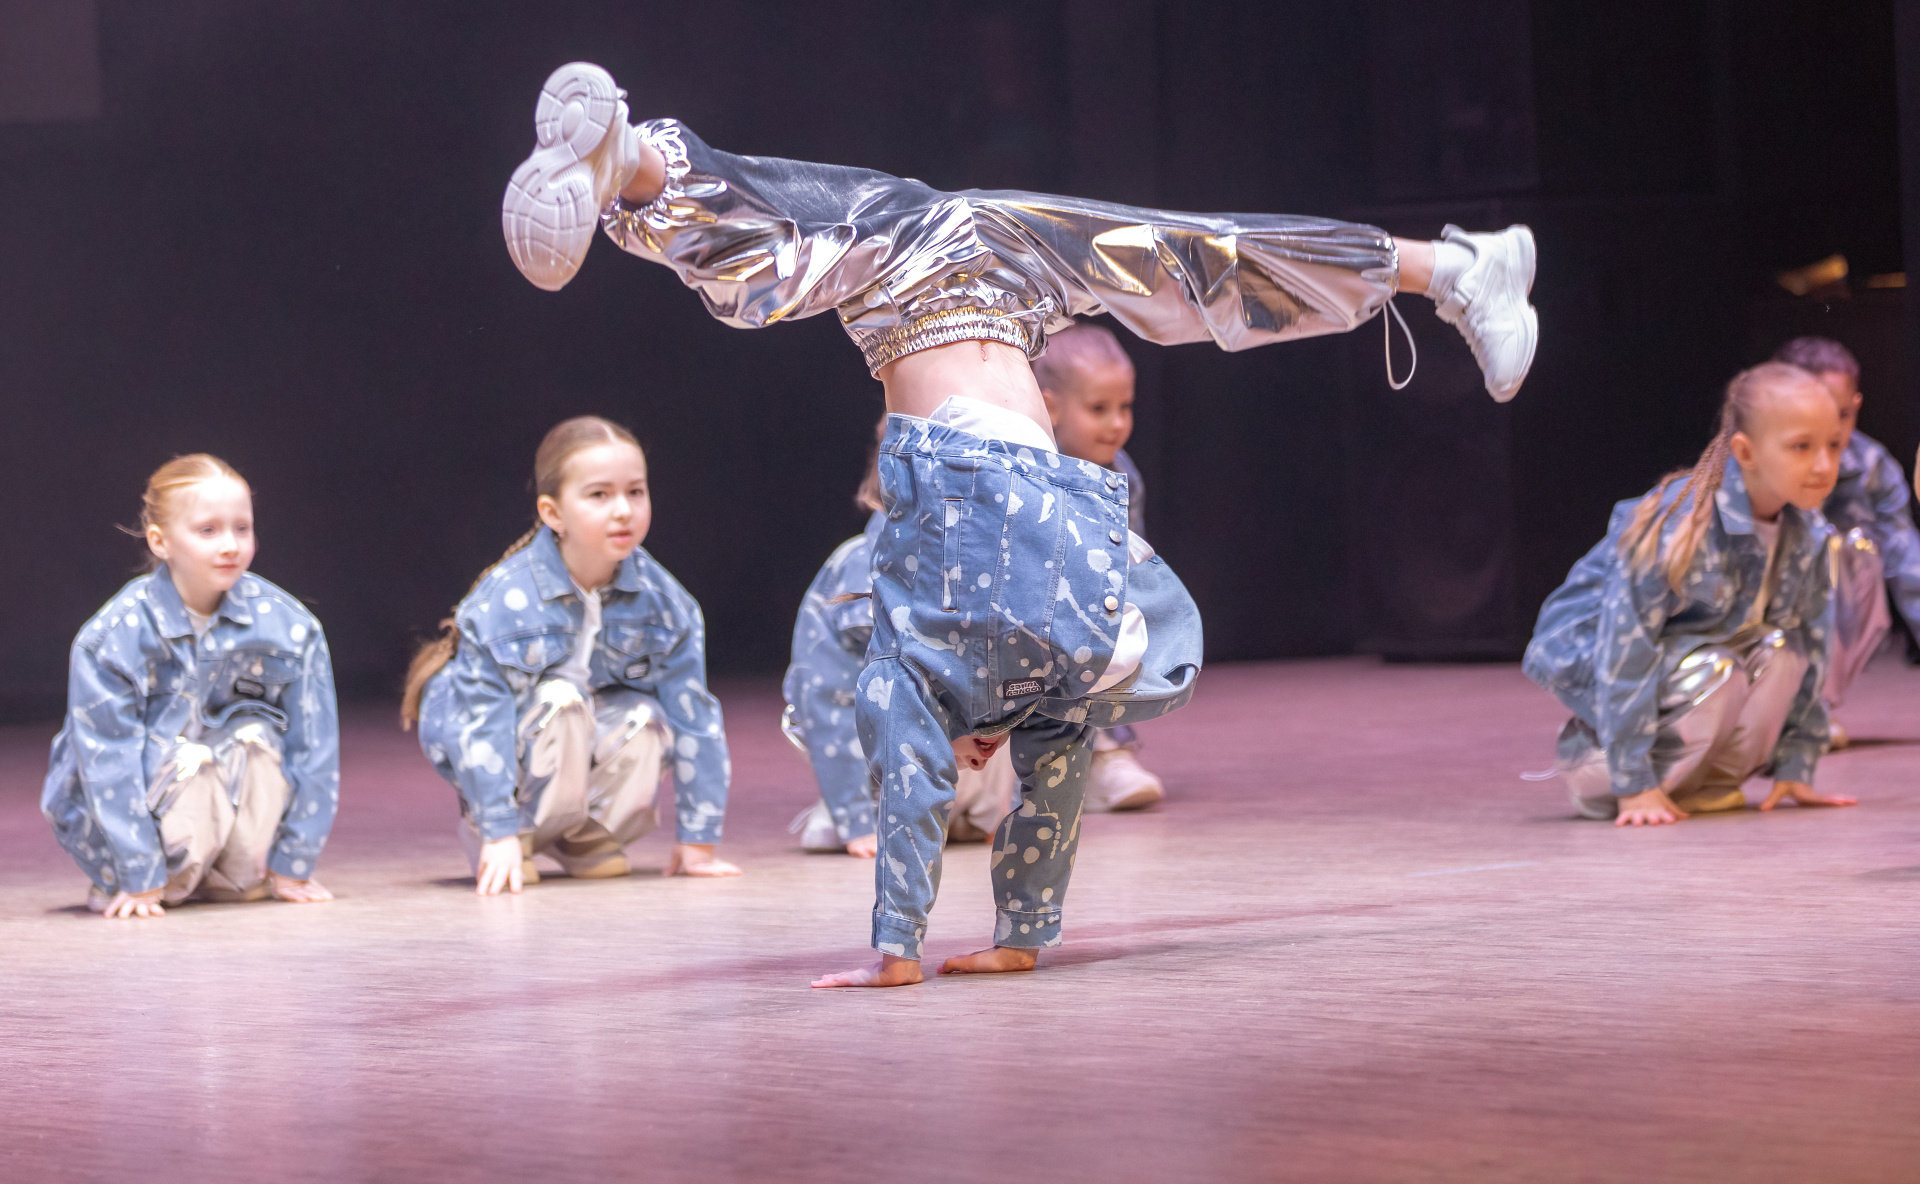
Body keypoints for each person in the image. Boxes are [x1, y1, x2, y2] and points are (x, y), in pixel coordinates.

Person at [502, 61, 1540, 986]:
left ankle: (1451, 269)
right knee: (1159, 258)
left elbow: (1029, 808)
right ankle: (636, 167)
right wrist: (899, 949)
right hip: (950, 316)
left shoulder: (1048, 670)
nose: (969, 762)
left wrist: (997, 941)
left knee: (1186, 258)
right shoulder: (952, 667)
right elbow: (927, 791)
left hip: (980, 308)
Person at [403, 416, 738, 893]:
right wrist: (496, 830)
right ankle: (513, 836)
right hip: (512, 758)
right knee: (562, 700)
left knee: (647, 719)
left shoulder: (667, 604)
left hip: (586, 737)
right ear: (553, 513)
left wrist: (698, 839)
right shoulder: (504, 602)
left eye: (635, 492)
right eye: (599, 495)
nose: (622, 510)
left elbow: (694, 717)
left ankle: (584, 836)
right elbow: (480, 721)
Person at [1523, 364, 1858, 826]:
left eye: (1834, 445)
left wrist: (1797, 765)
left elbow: (1813, 650)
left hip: (1685, 686)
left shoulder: (1809, 536)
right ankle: (1631, 784)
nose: (1823, 465)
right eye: (1801, 446)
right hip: (1611, 748)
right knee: (1719, 668)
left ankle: (1708, 785)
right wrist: (1632, 781)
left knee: (1784, 654)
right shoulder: (1678, 524)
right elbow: (1626, 651)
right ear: (1746, 452)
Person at [43, 455, 338, 918]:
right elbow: (106, 761)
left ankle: (236, 877)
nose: (230, 546)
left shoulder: (291, 628)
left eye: (242, 528)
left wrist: (294, 862)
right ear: (160, 541)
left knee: (256, 737)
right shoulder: (112, 638)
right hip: (146, 814)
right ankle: (156, 877)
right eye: (208, 530)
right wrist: (136, 875)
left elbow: (314, 748)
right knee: (189, 759)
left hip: (230, 809)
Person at [782, 427, 1015, 857]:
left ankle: (962, 813)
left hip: (951, 744)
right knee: (894, 686)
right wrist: (852, 819)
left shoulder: (983, 564)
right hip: (869, 748)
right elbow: (827, 701)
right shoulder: (861, 566)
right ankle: (856, 809)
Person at [1033, 322, 1164, 811]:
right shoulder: (1027, 468)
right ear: (1050, 406)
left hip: (1091, 614)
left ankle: (1105, 755)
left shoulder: (1122, 475)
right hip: (1029, 618)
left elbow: (1132, 561)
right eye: (1098, 409)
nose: (1116, 424)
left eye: (1124, 407)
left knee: (1109, 645)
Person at [1770, 336, 1920, 743]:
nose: (1829, 427)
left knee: (1852, 548)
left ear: (1855, 406)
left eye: (1839, 414)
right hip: (1750, 626)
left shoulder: (1872, 466)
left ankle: (1809, 707)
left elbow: (1908, 567)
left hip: (1822, 610)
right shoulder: (1755, 461)